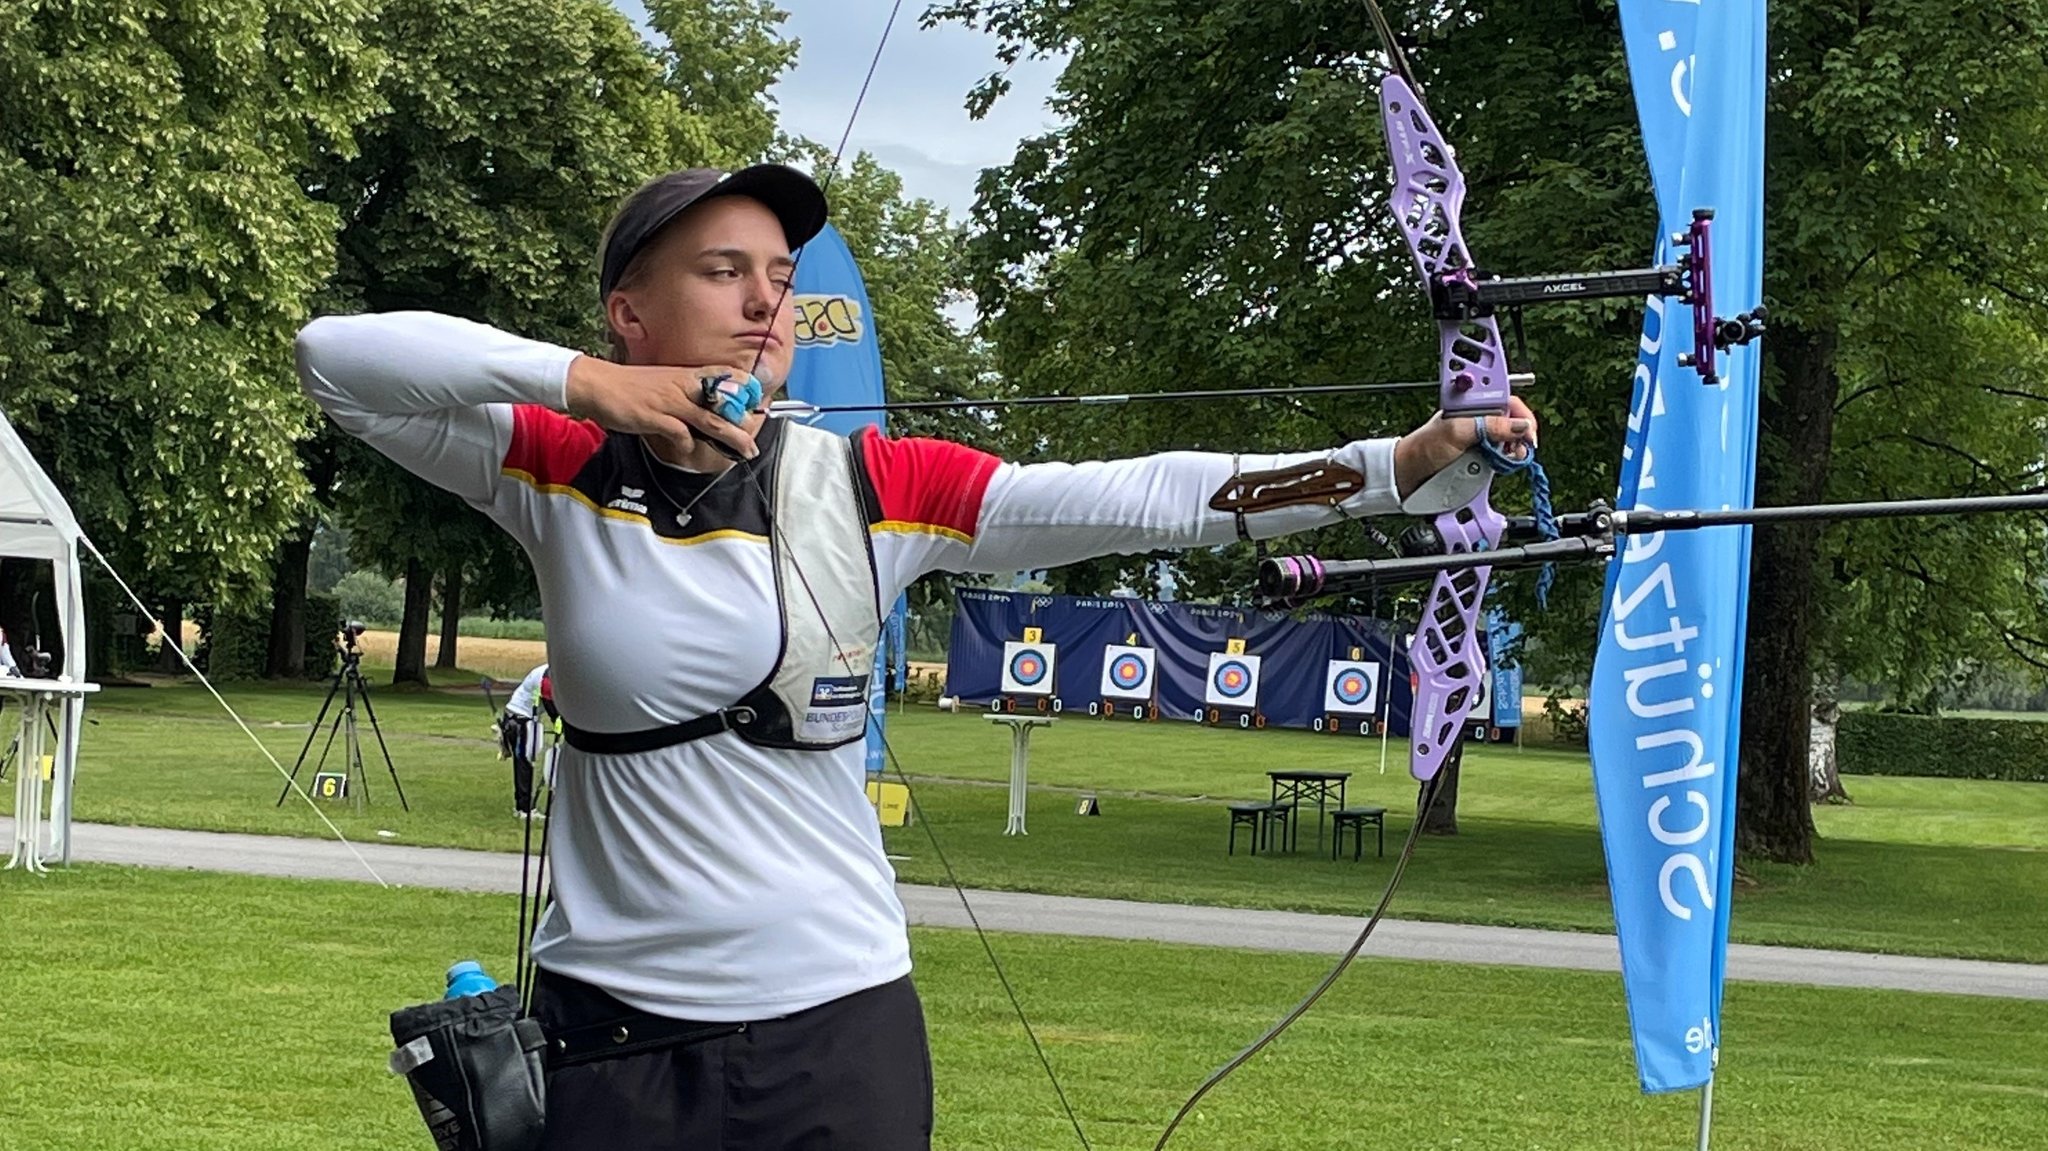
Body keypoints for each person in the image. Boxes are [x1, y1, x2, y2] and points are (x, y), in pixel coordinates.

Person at [297, 163, 1538, 1151]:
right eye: (720, 270)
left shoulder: (876, 486)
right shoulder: (553, 466)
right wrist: (584, 385)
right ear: (630, 308)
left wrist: (1395, 464)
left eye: (776, 276)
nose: (761, 304)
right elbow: (337, 360)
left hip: (835, 1027)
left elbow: (1150, 497)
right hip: (611, 1030)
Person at [500, 662, 549, 818]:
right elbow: (551, 705)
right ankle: (524, 808)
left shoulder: (548, 671)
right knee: (524, 763)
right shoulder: (545, 676)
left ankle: (524, 807)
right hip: (519, 721)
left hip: (519, 718)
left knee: (524, 763)